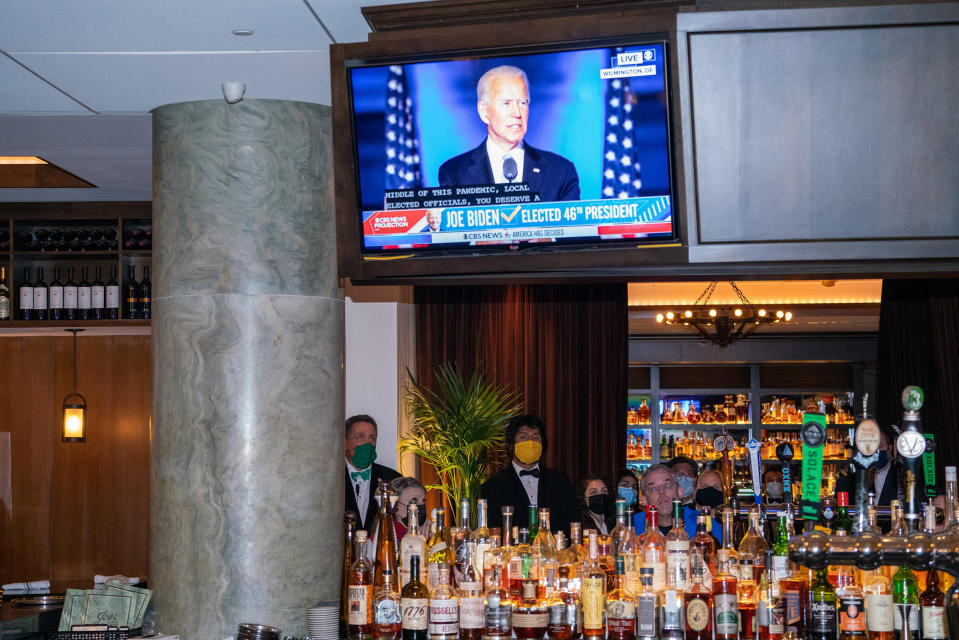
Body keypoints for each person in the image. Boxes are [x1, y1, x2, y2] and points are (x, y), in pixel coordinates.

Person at [438, 65, 580, 203]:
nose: (517, 113)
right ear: (483, 111)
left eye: (523, 103)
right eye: (506, 103)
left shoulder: (561, 171)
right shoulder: (454, 173)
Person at [481, 414, 579, 534]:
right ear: (511, 444)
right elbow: (492, 530)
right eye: (524, 437)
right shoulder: (493, 486)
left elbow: (573, 524)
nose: (531, 442)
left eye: (536, 437)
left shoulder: (560, 482)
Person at [344, 414, 401, 530]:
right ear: (345, 442)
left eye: (372, 438)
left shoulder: (392, 479)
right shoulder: (330, 479)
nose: (368, 443)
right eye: (360, 437)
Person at [391, 476, 427, 541]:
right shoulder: (385, 537)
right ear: (396, 504)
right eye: (414, 500)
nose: (422, 505)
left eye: (423, 501)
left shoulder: (426, 533)